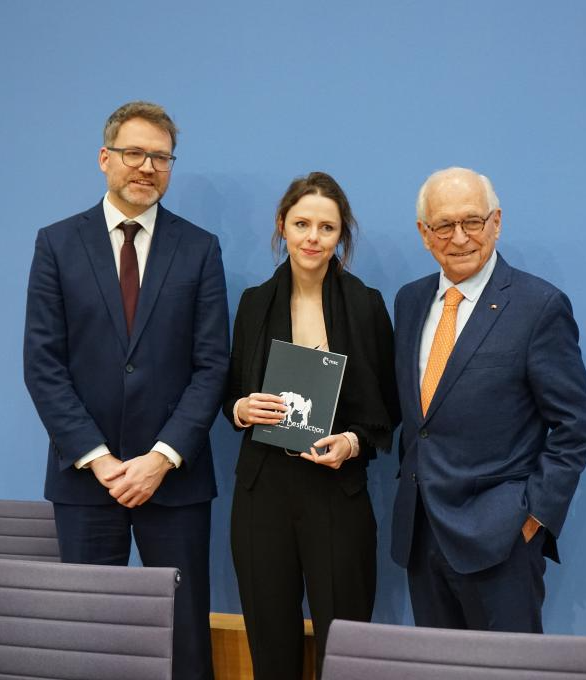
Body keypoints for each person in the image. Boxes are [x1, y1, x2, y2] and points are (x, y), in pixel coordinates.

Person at [23, 101, 228, 680]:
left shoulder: (200, 248)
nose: (147, 167)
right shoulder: (57, 243)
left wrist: (160, 459)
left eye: (161, 157)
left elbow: (212, 366)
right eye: (134, 153)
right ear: (104, 158)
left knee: (186, 639)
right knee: (88, 639)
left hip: (175, 479)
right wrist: (100, 459)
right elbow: (43, 364)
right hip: (87, 479)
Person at [390, 167, 586, 633]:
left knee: (508, 666)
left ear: (496, 222)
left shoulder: (538, 305)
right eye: (444, 225)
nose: (460, 237)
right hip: (421, 535)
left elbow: (576, 425)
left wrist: (534, 517)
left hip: (501, 542)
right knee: (438, 666)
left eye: (472, 221)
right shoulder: (409, 301)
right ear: (424, 233)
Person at [223, 172, 400, 679]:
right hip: (262, 492)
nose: (312, 238)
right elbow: (229, 392)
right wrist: (241, 409)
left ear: (341, 235)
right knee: (269, 643)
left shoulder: (365, 304)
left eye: (327, 227)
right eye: (302, 224)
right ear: (282, 225)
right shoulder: (254, 302)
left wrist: (353, 442)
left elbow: (390, 408)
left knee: (344, 647)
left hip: (336, 492)